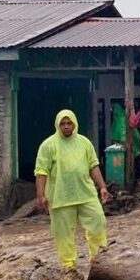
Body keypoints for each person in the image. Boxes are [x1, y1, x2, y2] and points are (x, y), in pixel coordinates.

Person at [35, 110, 111, 269]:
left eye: (69, 123)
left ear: (75, 124)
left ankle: (98, 258)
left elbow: (93, 166)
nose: (66, 127)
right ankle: (68, 264)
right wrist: (40, 195)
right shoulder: (48, 145)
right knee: (63, 233)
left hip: (85, 193)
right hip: (61, 196)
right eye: (63, 124)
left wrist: (102, 186)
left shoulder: (84, 143)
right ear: (57, 125)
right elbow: (41, 172)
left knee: (98, 221)